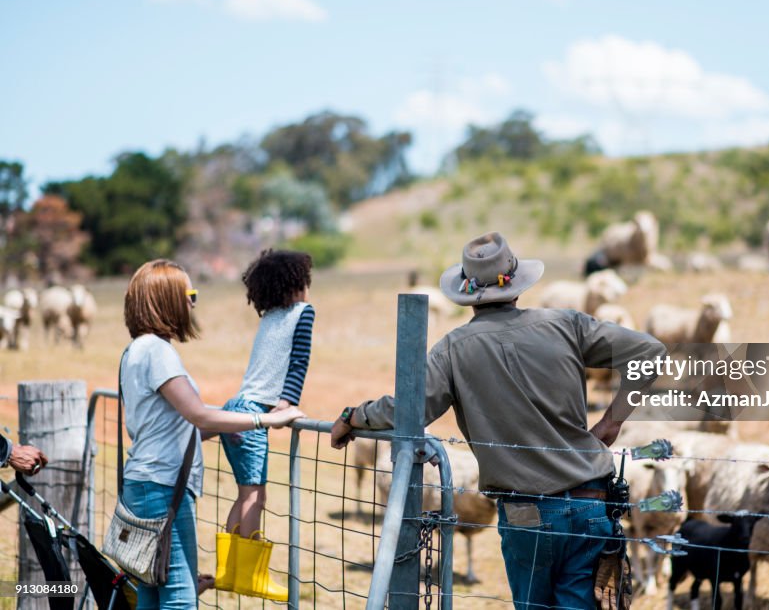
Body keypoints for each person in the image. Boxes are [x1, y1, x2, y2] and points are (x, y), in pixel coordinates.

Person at [330, 232, 666, 609]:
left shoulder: (454, 349)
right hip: (591, 502)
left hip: (526, 514)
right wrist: (611, 422)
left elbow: (406, 409)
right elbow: (651, 351)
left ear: (466, 292)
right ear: (517, 284)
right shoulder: (566, 325)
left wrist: (354, 415)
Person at [120, 259, 304, 610]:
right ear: (167, 297)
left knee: (151, 592)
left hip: (144, 484)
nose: (193, 302)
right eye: (190, 293)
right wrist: (263, 422)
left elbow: (178, 426)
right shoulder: (158, 352)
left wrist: (226, 425)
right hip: (163, 489)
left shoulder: (136, 350)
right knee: (179, 597)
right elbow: (196, 413)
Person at [216, 249, 315, 600]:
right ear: (295, 285)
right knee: (256, 494)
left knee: (244, 493)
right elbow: (299, 361)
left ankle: (229, 573)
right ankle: (251, 576)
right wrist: (286, 405)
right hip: (255, 412)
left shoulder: (269, 316)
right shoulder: (303, 313)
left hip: (236, 408)